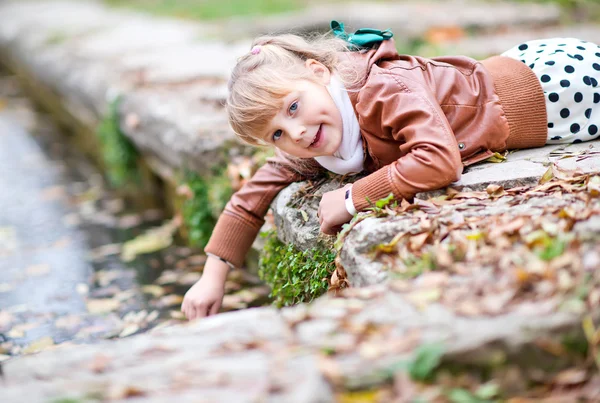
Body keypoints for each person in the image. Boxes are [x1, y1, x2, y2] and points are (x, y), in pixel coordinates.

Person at [181, 22, 600, 320]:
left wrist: (351, 198)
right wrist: (212, 277)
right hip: (517, 71)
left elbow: (438, 159)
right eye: (276, 133)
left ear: (319, 72)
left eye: (293, 107)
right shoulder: (314, 137)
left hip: (556, 90)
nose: (297, 131)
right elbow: (250, 198)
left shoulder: (383, 88)